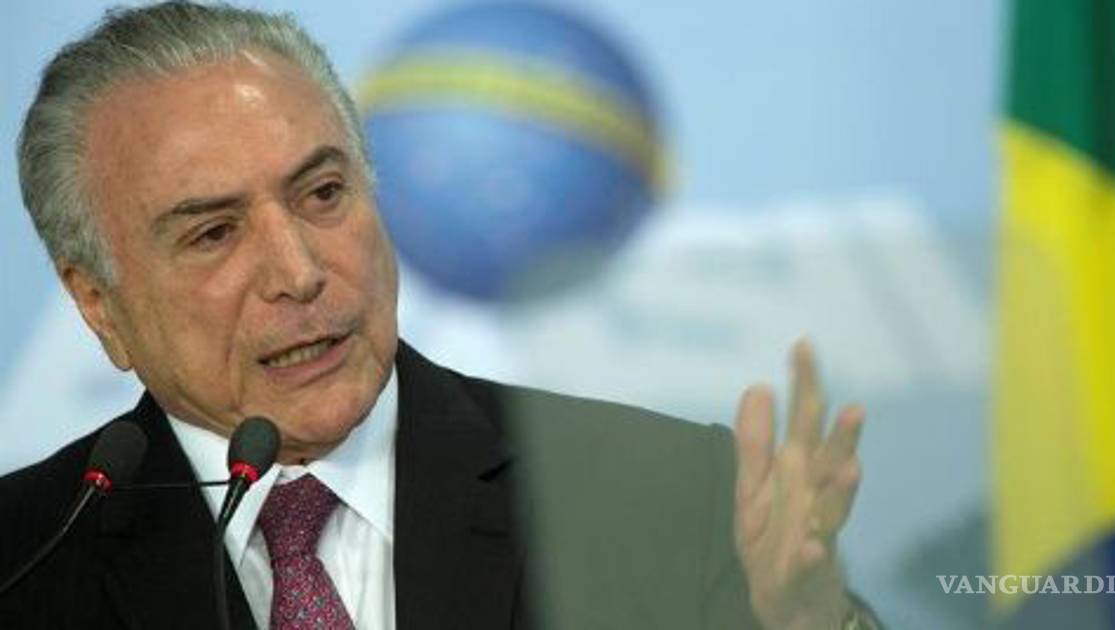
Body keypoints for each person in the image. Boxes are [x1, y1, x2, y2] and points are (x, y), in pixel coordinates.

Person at [0, 2, 880, 628]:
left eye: (323, 192)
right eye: (214, 233)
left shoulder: (664, 495)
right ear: (97, 302)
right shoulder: (23, 557)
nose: (299, 273)